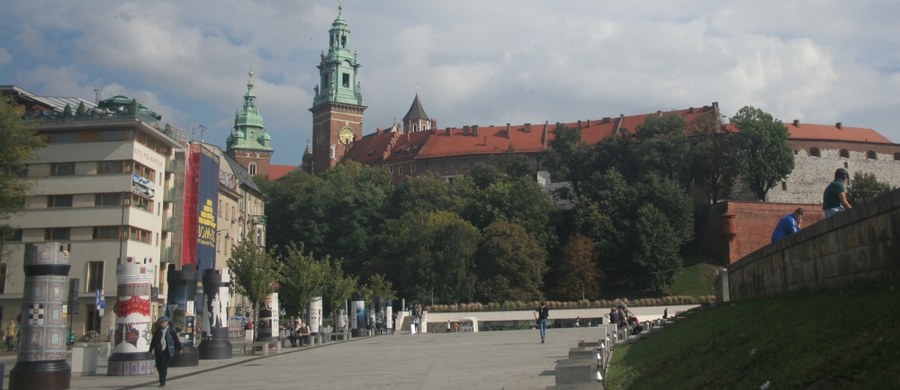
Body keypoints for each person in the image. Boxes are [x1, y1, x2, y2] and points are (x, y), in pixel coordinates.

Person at [149, 316, 182, 387]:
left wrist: (180, 348)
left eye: (162, 322)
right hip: (158, 350)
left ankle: (162, 381)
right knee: (158, 366)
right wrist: (150, 349)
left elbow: (176, 340)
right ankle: (162, 376)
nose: (161, 324)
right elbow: (153, 341)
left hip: (167, 351)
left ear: (166, 323)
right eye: (160, 323)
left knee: (163, 366)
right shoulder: (158, 331)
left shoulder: (171, 331)